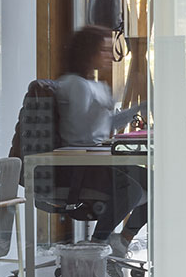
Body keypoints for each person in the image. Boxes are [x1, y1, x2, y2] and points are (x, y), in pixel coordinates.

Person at [42, 24, 148, 251]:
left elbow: (105, 124)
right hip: (79, 166)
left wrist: (138, 108)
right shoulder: (75, 84)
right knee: (133, 189)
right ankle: (97, 243)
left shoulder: (95, 85)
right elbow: (81, 131)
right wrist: (103, 106)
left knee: (155, 183)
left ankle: (122, 240)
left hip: (96, 159)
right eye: (104, 50)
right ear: (88, 52)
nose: (110, 56)